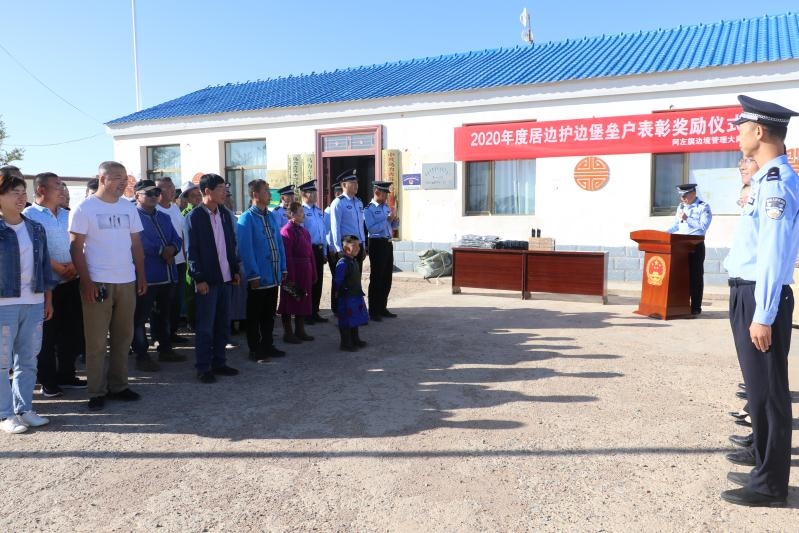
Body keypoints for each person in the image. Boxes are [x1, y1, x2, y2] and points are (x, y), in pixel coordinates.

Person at [720, 95, 799, 508]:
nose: (737, 135)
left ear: (759, 131)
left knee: (769, 392)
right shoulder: (765, 180)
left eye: (741, 128)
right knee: (758, 386)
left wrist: (764, 314)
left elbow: (773, 254)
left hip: (760, 296)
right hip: (748, 292)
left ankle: (769, 485)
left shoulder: (777, 184)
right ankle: (761, 462)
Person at [69, 161, 147, 411]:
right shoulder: (85, 208)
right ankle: (96, 391)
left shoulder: (128, 207)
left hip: (126, 280)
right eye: (117, 177)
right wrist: (86, 282)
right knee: (96, 342)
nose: (123, 182)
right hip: (97, 282)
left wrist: (141, 275)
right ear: (102, 179)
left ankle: (119, 386)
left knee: (123, 338)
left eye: (125, 178)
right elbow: (75, 248)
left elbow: (136, 244)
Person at [0, 168, 55, 434]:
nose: (21, 198)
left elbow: (44, 267)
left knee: (29, 359)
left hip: (33, 301)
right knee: (2, 362)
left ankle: (25, 409)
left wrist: (47, 299)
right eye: (14, 193)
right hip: (3, 304)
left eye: (24, 193)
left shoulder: (35, 228)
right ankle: (5, 414)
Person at [23, 173, 86, 398]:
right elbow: (31, 248)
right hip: (45, 284)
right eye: (57, 185)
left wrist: (75, 266)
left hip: (71, 281)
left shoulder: (68, 215)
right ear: (41, 190)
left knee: (71, 331)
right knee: (47, 335)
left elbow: (80, 243)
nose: (62, 189)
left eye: (62, 185)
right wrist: (57, 267)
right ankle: (48, 380)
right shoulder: (28, 215)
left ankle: (67, 375)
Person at [185, 173, 240, 383]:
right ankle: (203, 367)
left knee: (223, 324)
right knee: (205, 327)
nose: (224, 192)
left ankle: (220, 362)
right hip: (207, 281)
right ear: (207, 191)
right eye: (220, 189)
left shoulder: (224, 214)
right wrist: (198, 278)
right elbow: (192, 251)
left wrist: (235, 270)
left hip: (226, 278)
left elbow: (230, 244)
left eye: (225, 188)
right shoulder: (195, 217)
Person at [131, 180, 185, 371]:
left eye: (156, 192)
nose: (154, 196)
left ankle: (165, 349)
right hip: (146, 275)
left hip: (167, 274)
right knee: (140, 318)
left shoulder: (164, 216)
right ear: (137, 196)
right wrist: (163, 250)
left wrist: (172, 248)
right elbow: (139, 243)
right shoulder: (133, 217)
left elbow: (177, 238)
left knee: (163, 314)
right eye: (149, 193)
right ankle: (142, 355)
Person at [237, 179, 288, 362]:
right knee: (254, 315)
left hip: (273, 274)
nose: (269, 194)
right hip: (258, 277)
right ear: (255, 194)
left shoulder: (271, 216)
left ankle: (268, 345)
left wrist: (283, 267)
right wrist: (253, 274)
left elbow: (279, 243)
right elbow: (246, 249)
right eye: (266, 190)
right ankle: (255, 348)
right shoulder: (246, 218)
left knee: (269, 314)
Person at [665, 183, 712, 315]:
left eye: (685, 196)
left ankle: (696, 307)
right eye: (681, 196)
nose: (682, 199)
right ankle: (680, 305)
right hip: (680, 246)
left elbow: (703, 227)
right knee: (681, 275)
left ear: (693, 193)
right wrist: (664, 234)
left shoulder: (703, 207)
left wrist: (687, 218)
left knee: (695, 277)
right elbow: (676, 225)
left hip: (695, 245)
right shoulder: (681, 207)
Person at [155, 177, 188, 345]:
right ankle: (160, 336)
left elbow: (182, 233)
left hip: (180, 261)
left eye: (172, 187)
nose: (171, 190)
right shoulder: (155, 210)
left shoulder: (174, 208)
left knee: (176, 300)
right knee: (163, 302)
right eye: (167, 187)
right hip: (164, 262)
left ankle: (172, 331)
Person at [278, 202, 316, 344]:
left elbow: (310, 254)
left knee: (303, 299)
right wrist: (290, 277)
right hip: (294, 271)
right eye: (300, 212)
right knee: (289, 301)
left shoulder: (304, 231)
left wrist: (313, 272)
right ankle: (288, 333)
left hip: (305, 270)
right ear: (292, 214)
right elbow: (287, 256)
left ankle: (300, 330)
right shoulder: (286, 231)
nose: (303, 214)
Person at [364, 181, 399, 321]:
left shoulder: (386, 207)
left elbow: (392, 226)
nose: (386, 196)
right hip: (376, 243)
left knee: (386, 277)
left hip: (387, 243)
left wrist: (395, 221)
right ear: (377, 192)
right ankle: (373, 311)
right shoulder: (368, 209)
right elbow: (371, 229)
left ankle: (382, 307)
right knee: (377, 277)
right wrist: (387, 220)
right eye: (384, 193)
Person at [299, 179, 328, 324]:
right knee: (308, 282)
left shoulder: (318, 211)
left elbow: (323, 232)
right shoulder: (301, 211)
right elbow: (301, 234)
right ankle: (307, 313)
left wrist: (325, 252)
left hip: (319, 250)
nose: (316, 194)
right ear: (304, 194)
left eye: (315, 191)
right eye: (312, 192)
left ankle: (315, 311)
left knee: (318, 282)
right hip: (308, 250)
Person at [333, 235, 369, 351]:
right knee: (346, 319)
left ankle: (355, 339)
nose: (358, 248)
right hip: (346, 297)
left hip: (356, 295)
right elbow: (338, 281)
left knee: (355, 318)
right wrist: (339, 293)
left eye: (358, 245)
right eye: (354, 245)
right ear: (345, 248)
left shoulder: (354, 261)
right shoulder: (342, 263)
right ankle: (345, 343)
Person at [329, 169, 366, 268]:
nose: (356, 185)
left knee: (357, 275)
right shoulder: (338, 203)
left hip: (358, 245)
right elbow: (335, 227)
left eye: (356, 182)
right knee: (347, 276)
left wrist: (363, 245)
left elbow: (360, 226)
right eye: (353, 183)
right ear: (344, 185)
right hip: (347, 246)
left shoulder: (359, 202)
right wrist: (338, 248)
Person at [180, 180, 202, 330]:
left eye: (198, 194)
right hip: (190, 258)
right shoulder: (185, 215)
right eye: (193, 196)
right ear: (187, 199)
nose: (197, 198)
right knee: (191, 292)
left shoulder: (205, 212)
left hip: (204, 257)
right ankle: (192, 321)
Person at [324, 180, 343, 315]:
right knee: (337, 278)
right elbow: (328, 231)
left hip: (342, 247)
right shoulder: (329, 211)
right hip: (334, 250)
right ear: (337, 194)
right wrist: (331, 248)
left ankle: (342, 305)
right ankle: (335, 307)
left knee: (343, 278)